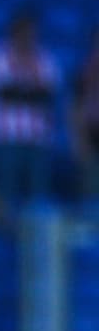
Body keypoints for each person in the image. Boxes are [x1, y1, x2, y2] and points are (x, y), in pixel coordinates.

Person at [0, 10, 62, 207]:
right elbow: (3, 91)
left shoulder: (44, 58)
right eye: (24, 31)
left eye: (32, 32)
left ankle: (36, 234)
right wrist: (31, 91)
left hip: (38, 137)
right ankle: (3, 234)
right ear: (14, 32)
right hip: (7, 135)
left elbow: (48, 93)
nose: (28, 37)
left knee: (38, 194)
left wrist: (22, 91)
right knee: (5, 192)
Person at [71, 26, 99, 200]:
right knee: (91, 183)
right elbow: (76, 105)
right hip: (91, 131)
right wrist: (79, 139)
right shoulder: (86, 69)